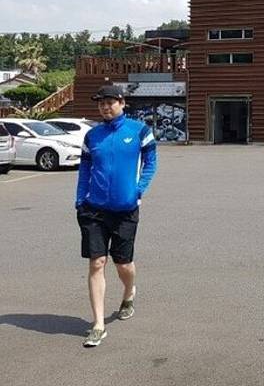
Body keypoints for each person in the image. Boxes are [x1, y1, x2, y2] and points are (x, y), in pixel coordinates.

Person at [75, 84, 157, 347]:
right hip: (94, 209)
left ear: (122, 103)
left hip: (125, 210)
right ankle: (98, 325)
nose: (104, 107)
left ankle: (129, 291)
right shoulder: (92, 136)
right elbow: (84, 170)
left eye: (109, 102)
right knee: (97, 263)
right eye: (101, 103)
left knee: (123, 264)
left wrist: (138, 189)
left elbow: (151, 163)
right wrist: (80, 199)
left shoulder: (139, 131)